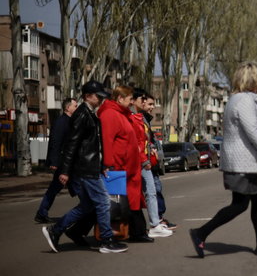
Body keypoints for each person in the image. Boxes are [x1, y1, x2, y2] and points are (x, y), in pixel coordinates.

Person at [189, 62, 257, 258]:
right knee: (240, 204)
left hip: (248, 162)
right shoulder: (244, 101)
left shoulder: (240, 99)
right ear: (252, 80)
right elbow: (253, 132)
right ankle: (201, 232)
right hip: (245, 163)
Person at [41, 80, 128, 254]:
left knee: (88, 206)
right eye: (98, 96)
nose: (101, 100)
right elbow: (72, 144)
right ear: (88, 96)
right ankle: (106, 240)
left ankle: (55, 230)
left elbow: (92, 145)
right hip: (85, 169)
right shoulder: (82, 114)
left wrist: (102, 164)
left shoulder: (90, 114)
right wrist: (65, 171)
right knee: (103, 202)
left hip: (90, 166)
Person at [99, 85, 152, 243]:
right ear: (120, 98)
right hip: (119, 167)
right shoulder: (110, 114)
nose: (131, 103)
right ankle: (133, 233)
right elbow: (108, 141)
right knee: (116, 204)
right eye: (130, 99)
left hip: (129, 167)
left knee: (128, 201)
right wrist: (109, 164)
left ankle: (138, 232)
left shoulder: (122, 113)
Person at [130, 88, 172, 238]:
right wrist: (145, 160)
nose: (145, 103)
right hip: (140, 161)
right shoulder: (134, 118)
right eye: (142, 100)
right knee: (149, 192)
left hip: (144, 160)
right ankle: (154, 224)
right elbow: (137, 143)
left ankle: (155, 222)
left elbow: (144, 140)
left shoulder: (140, 118)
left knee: (151, 192)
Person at [35, 98, 78, 224]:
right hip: (62, 162)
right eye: (75, 106)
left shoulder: (69, 121)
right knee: (74, 186)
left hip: (66, 162)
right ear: (67, 108)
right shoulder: (61, 122)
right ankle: (86, 210)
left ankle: (41, 212)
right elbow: (55, 142)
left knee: (55, 187)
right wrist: (54, 162)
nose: (77, 108)